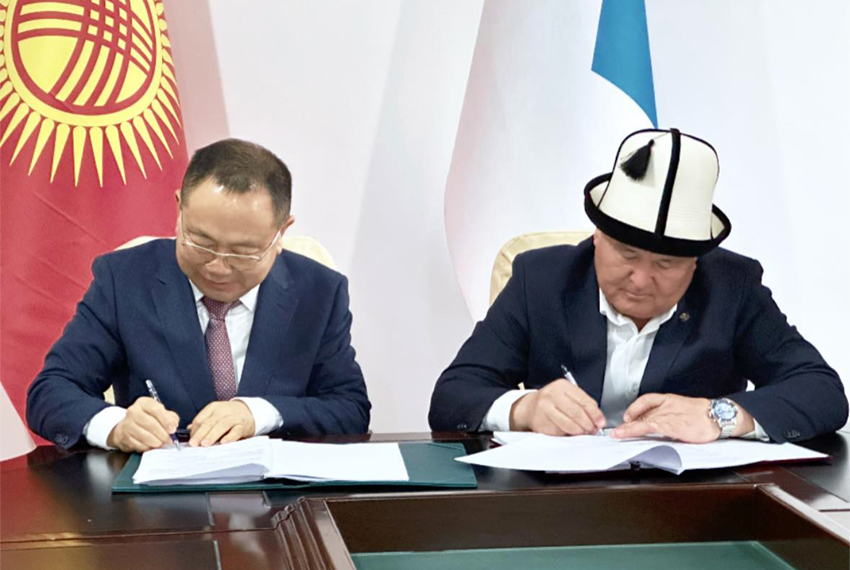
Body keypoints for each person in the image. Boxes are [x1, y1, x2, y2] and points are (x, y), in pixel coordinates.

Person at [429, 128, 847, 443]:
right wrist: (525, 408)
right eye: (627, 255)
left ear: (696, 262)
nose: (641, 279)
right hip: (557, 505)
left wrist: (718, 416)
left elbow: (822, 392)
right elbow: (452, 396)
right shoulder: (541, 279)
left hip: (692, 508)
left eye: (666, 264)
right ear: (597, 237)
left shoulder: (731, 288)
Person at [27, 139, 370, 452]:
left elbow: (350, 409)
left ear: (281, 233)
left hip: (278, 494)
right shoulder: (126, 279)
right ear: (179, 209)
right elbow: (51, 391)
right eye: (201, 243)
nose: (218, 267)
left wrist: (259, 414)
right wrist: (115, 426)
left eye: (242, 252)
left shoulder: (319, 292)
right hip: (160, 494)